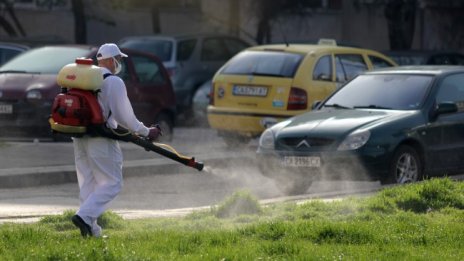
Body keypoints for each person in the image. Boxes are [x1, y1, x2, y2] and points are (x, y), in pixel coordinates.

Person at [71, 43, 161, 237]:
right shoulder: (113, 82)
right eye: (118, 59)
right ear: (111, 60)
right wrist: (147, 132)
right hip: (101, 139)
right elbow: (125, 117)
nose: (119, 63)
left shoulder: (84, 78)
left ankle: (91, 230)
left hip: (79, 137)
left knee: (88, 182)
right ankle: (84, 217)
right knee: (113, 183)